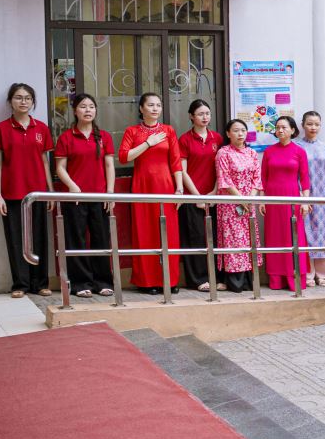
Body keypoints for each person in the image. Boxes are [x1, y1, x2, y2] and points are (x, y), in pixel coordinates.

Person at [0, 82, 54, 298]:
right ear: (10, 101)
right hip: (12, 193)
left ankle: (41, 283)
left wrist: (50, 191)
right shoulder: (0, 129)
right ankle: (20, 284)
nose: (23, 101)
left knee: (39, 238)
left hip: (38, 194)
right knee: (16, 239)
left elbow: (45, 162)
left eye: (27, 98)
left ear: (33, 102)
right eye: (18, 97)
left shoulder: (41, 128)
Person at [117, 92, 184, 294]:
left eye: (158, 105)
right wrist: (148, 143)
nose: (155, 108)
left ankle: (170, 280)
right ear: (141, 108)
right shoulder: (132, 131)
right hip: (142, 186)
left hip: (166, 186)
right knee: (144, 232)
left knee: (168, 233)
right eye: (151, 105)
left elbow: (176, 162)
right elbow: (124, 157)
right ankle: (147, 282)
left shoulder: (168, 131)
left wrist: (179, 188)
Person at [53, 92, 115, 297]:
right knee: (76, 240)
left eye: (91, 106)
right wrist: (73, 186)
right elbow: (60, 167)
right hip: (75, 198)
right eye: (83, 106)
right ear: (75, 111)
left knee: (101, 239)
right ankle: (80, 283)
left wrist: (110, 193)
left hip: (100, 197)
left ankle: (103, 282)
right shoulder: (66, 137)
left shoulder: (104, 136)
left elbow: (109, 165)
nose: (88, 110)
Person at [260, 116, 310, 291]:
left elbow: (305, 179)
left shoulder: (299, 151)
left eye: (284, 127)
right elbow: (263, 178)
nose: (280, 130)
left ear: (293, 130)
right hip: (272, 200)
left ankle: (294, 278)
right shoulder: (268, 152)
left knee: (294, 236)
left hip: (292, 199)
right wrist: (262, 200)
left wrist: (305, 202)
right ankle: (276, 279)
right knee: (274, 237)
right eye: (278, 127)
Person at [177, 100, 221, 291]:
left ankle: (216, 277)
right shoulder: (185, 140)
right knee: (194, 238)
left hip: (215, 196)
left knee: (215, 237)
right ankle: (197, 279)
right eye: (200, 114)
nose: (205, 117)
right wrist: (198, 196)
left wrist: (214, 191)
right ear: (191, 116)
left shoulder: (217, 138)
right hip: (191, 197)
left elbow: (222, 168)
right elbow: (182, 171)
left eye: (207, 113)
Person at [212, 119, 261, 292]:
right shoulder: (223, 153)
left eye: (243, 130)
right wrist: (241, 199)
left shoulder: (252, 153)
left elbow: (257, 179)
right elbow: (224, 179)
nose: (240, 134)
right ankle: (234, 282)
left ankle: (249, 281)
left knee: (249, 238)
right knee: (232, 241)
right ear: (228, 133)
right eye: (236, 130)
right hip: (230, 203)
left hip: (249, 202)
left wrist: (250, 199)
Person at [296, 110, 325, 286]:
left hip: (322, 196)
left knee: (322, 233)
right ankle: (308, 273)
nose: (313, 127)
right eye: (309, 124)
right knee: (305, 233)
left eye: (317, 124)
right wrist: (300, 197)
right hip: (302, 195)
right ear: (303, 125)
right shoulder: (297, 146)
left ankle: (322, 274)